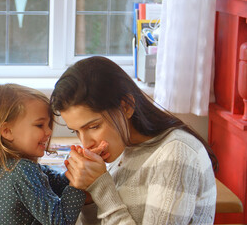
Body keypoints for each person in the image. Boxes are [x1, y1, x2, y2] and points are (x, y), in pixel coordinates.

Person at [50, 56, 218, 224]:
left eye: (93, 126)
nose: (86, 143)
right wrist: (89, 198)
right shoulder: (124, 151)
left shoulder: (176, 154)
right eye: (76, 131)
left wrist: (100, 187)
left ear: (126, 106)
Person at [0, 83, 86, 225]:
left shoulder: (3, 165)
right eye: (39, 125)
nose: (49, 132)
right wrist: (78, 185)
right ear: (7, 131)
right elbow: (60, 221)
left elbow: (54, 184)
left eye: (49, 125)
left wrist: (77, 171)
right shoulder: (21, 170)